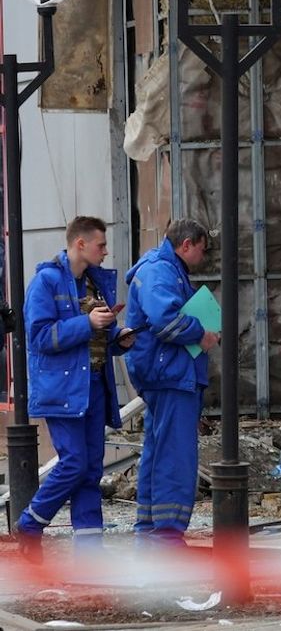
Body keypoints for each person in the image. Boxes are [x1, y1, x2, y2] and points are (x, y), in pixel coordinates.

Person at [15, 217, 136, 560]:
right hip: (63, 390)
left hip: (94, 385)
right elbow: (39, 337)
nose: (106, 251)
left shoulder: (95, 283)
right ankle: (30, 523)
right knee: (74, 463)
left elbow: (98, 335)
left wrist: (119, 338)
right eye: (101, 244)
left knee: (91, 468)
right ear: (80, 244)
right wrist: (87, 322)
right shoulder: (45, 282)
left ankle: (90, 551)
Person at [125, 219, 219, 545]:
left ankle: (151, 530)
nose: (203, 258)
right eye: (202, 250)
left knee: (159, 450)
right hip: (171, 374)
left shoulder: (165, 270)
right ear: (186, 245)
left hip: (166, 373)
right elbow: (166, 320)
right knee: (175, 455)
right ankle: (166, 534)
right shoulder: (160, 271)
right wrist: (201, 334)